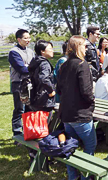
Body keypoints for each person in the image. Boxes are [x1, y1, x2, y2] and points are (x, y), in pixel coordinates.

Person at [56, 35, 96, 180]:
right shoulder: (82, 64)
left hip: (67, 113)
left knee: (71, 147)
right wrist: (92, 103)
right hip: (80, 114)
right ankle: (85, 177)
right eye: (84, 46)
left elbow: (59, 89)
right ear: (78, 47)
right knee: (90, 146)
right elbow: (86, 91)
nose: (86, 49)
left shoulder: (64, 65)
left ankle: (73, 177)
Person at [8, 29, 35, 138]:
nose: (28, 40)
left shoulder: (30, 51)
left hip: (30, 83)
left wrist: (28, 66)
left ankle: (28, 133)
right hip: (19, 84)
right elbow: (22, 69)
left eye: (29, 37)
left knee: (29, 109)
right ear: (19, 39)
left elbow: (34, 65)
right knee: (20, 109)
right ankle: (17, 134)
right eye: (25, 38)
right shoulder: (13, 52)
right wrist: (29, 67)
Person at [28, 40, 57, 112]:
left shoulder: (35, 61)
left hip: (34, 96)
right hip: (44, 99)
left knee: (37, 121)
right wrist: (50, 91)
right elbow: (44, 78)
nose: (52, 51)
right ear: (42, 51)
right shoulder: (44, 63)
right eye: (50, 49)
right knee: (44, 121)